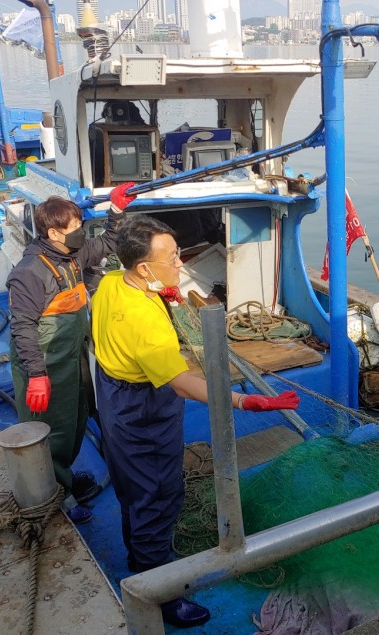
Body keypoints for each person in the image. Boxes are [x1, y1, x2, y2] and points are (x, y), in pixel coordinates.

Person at [90, 214, 299, 628]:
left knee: (132, 488)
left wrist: (164, 295)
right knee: (157, 493)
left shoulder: (112, 283)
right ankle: (161, 596)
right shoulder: (144, 320)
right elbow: (181, 384)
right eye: (172, 258)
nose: (181, 264)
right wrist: (242, 400)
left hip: (113, 395)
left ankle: (139, 563)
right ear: (144, 267)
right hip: (142, 411)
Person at [7, 184, 135, 525]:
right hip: (46, 367)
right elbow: (22, 327)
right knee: (52, 431)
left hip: (72, 358)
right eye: (74, 229)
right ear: (52, 233)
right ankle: (55, 499)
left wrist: (117, 212)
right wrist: (36, 374)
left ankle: (63, 477)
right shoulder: (29, 273)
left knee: (77, 421)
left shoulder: (71, 255)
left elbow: (109, 242)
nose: (80, 234)